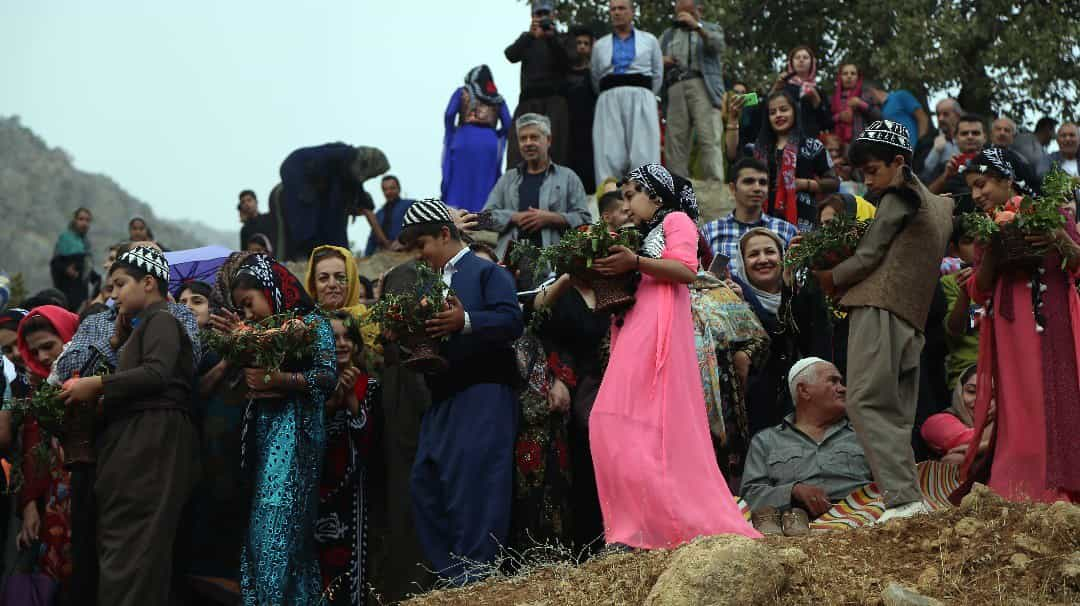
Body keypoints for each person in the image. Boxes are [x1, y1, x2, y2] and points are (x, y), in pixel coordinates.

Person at [589, 163, 760, 549]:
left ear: (655, 195)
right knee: (609, 422)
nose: (626, 203)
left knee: (637, 425)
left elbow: (686, 268)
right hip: (633, 326)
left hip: (659, 327)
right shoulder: (641, 234)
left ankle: (650, 528)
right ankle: (633, 526)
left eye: (632, 194)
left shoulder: (677, 220)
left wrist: (633, 262)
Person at [815, 120, 953, 522]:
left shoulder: (900, 193)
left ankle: (902, 499)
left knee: (864, 401)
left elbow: (869, 256)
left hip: (880, 308)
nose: (870, 182)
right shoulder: (940, 204)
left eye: (873, 171)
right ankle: (908, 497)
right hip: (913, 318)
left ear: (898, 162)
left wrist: (829, 278)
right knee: (894, 410)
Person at [59, 247, 200, 605]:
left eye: (120, 284)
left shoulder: (163, 319)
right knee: (126, 551)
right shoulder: (140, 327)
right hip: (137, 443)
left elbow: (157, 372)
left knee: (138, 554)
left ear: (148, 283)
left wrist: (96, 385)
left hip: (153, 442)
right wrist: (119, 343)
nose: (114, 294)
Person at [397, 199, 523, 584]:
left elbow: (512, 320)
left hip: (485, 394)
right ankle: (456, 578)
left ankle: (477, 578)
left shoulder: (487, 273)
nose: (418, 256)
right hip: (443, 399)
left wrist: (464, 320)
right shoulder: (427, 284)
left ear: (445, 234)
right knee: (426, 484)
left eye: (422, 246)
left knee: (478, 485)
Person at [210, 252, 336, 605]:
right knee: (264, 540)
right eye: (241, 309)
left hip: (297, 435)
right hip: (264, 438)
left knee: (275, 535)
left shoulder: (311, 323)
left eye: (248, 303)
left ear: (270, 289)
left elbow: (327, 377)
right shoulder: (260, 334)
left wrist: (281, 379)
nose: (247, 314)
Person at [960, 148, 1080, 503]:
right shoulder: (987, 226)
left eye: (981, 185)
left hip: (1052, 319)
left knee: (1054, 395)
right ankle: (1015, 485)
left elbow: (1077, 263)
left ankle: (1058, 485)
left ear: (1006, 178)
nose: (978, 195)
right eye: (972, 189)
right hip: (1009, 329)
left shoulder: (1051, 213)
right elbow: (978, 291)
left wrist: (1061, 238)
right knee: (1016, 403)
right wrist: (992, 257)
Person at [740, 358, 872, 536]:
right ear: (804, 390)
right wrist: (793, 491)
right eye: (833, 381)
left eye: (840, 382)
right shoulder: (766, 441)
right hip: (795, 528)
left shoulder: (865, 436)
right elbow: (750, 496)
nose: (843, 388)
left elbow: (890, 485)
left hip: (864, 523)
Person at [734, 228, 832, 432]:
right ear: (742, 263)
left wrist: (790, 287)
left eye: (770, 252)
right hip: (755, 413)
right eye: (753, 254)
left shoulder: (802, 296)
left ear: (782, 256)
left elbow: (803, 338)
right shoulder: (733, 299)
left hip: (800, 406)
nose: (763, 259)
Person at [14, 305, 79, 597]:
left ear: (70, 336)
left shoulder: (96, 376)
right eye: (34, 351)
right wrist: (29, 505)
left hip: (93, 499)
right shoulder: (38, 389)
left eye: (48, 346)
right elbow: (33, 448)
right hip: (54, 505)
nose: (42, 357)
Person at [318, 311, 378, 605]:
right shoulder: (311, 387)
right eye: (333, 338)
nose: (341, 344)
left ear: (356, 344)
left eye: (347, 338)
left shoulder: (371, 386)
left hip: (356, 497)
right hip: (317, 493)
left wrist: (351, 399)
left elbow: (372, 443)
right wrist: (331, 403)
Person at [483, 113, 592, 259]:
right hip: (511, 268)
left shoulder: (568, 177)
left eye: (534, 137)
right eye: (523, 139)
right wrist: (514, 217)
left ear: (548, 140)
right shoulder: (507, 179)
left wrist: (552, 218)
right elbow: (484, 218)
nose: (528, 143)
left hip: (555, 265)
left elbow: (585, 220)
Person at [725, 90, 838, 231]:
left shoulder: (812, 146)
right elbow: (732, 155)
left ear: (795, 112)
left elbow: (833, 183)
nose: (778, 115)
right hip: (762, 224)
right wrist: (733, 119)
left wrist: (803, 184)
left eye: (784, 110)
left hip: (802, 223)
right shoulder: (757, 149)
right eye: (772, 112)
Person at [590, 0, 663, 188]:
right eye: (613, 9)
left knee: (643, 150)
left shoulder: (650, 40)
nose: (616, 13)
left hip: (641, 97)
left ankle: (646, 198)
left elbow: (657, 74)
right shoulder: (600, 46)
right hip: (609, 98)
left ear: (632, 12)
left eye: (621, 8)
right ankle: (610, 199)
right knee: (609, 151)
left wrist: (644, 95)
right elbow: (596, 76)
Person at [659, 0, 726, 181]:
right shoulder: (668, 34)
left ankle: (714, 183)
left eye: (687, 11)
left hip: (702, 85)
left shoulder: (712, 28)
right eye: (679, 11)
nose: (682, 16)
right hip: (674, 87)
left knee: (708, 136)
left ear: (699, 9)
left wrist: (697, 27)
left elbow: (718, 46)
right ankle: (677, 186)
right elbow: (653, 59)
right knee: (676, 141)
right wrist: (663, 60)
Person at [504, 0, 571, 168]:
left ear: (553, 15)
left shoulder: (560, 38)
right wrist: (529, 35)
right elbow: (510, 55)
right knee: (518, 153)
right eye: (538, 14)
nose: (542, 18)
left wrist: (551, 38)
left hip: (554, 102)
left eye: (545, 14)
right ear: (532, 17)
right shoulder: (527, 39)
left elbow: (568, 62)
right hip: (528, 102)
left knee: (554, 150)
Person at [700, 157, 798, 266]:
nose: (757, 188)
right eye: (748, 182)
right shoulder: (710, 232)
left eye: (762, 183)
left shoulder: (787, 231)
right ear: (732, 188)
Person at [442, 66, 513, 212]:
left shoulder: (463, 91)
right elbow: (508, 124)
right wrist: (497, 135)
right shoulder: (497, 98)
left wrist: (452, 131)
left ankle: (457, 219)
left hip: (464, 139)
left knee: (459, 181)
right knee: (486, 182)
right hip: (489, 142)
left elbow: (449, 114)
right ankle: (484, 220)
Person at [304, 245, 380, 356]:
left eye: (340, 277)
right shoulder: (302, 325)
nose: (332, 284)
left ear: (351, 282)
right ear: (313, 285)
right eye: (323, 278)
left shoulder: (369, 321)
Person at [921, 366, 992, 465]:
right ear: (959, 392)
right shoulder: (937, 423)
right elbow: (968, 441)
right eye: (971, 391)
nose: (980, 401)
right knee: (957, 459)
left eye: (992, 396)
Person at [941, 219, 981, 388]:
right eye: (968, 241)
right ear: (954, 250)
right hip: (969, 373)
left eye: (983, 239)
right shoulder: (950, 282)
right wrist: (966, 291)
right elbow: (954, 329)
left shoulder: (1007, 277)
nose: (977, 246)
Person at [928, 113, 989, 214]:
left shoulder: (997, 164)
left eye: (975, 133)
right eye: (964, 133)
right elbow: (926, 198)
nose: (970, 137)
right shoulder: (945, 167)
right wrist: (945, 176)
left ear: (985, 137)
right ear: (955, 138)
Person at [769, 46, 831, 139]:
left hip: (810, 141)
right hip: (785, 140)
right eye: (797, 58)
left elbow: (826, 123)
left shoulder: (818, 90)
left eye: (805, 58)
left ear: (812, 63)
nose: (801, 60)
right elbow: (766, 111)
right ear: (791, 63)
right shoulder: (783, 87)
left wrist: (816, 99)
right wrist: (775, 88)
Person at [564, 25, 597, 193]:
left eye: (586, 43)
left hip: (590, 125)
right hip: (569, 126)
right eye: (578, 43)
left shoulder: (595, 73)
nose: (582, 46)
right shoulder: (563, 73)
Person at [50, 207, 94, 312]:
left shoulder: (86, 243)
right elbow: (55, 263)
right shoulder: (65, 238)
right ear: (74, 220)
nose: (84, 223)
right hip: (66, 293)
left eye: (87, 220)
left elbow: (87, 270)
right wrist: (66, 269)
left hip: (82, 295)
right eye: (81, 219)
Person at [863, 80, 929, 144]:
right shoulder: (882, 111)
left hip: (917, 149)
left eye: (865, 95)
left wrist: (920, 143)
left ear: (871, 91)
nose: (866, 99)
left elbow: (922, 117)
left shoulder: (900, 96)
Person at [829, 62, 879, 146]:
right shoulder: (832, 99)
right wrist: (840, 117)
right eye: (845, 73)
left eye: (853, 73)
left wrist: (861, 104)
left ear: (858, 77)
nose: (849, 76)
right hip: (837, 147)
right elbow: (826, 121)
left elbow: (879, 116)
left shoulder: (866, 95)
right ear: (840, 77)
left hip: (862, 145)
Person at [364, 175, 415, 256]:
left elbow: (421, 225)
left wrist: (403, 240)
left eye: (392, 188)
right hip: (385, 257)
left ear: (399, 189)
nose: (388, 192)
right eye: (385, 189)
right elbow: (372, 240)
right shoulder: (378, 214)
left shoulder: (410, 205)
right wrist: (366, 257)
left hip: (408, 254)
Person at [916, 98, 963, 182]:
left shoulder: (969, 136)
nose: (940, 118)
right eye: (938, 115)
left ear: (958, 116)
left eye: (946, 114)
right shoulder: (927, 141)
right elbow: (922, 174)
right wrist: (936, 151)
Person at [989, 116, 1040, 194]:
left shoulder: (1021, 161)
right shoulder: (980, 154)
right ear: (991, 134)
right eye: (998, 129)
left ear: (1013, 136)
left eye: (1007, 130)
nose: (1002, 133)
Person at [238, 189, 277, 254]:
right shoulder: (245, 230)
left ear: (256, 202)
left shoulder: (268, 219)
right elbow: (244, 252)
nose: (246, 204)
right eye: (243, 202)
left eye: (249, 200)